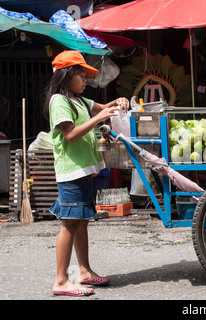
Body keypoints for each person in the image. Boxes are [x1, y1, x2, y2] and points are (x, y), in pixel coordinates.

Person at [43, 50, 129, 297]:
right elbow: (69, 135)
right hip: (71, 171)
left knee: (81, 223)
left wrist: (119, 101)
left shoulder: (80, 100)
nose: (85, 80)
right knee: (69, 224)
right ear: (66, 76)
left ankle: (85, 272)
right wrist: (99, 117)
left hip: (84, 170)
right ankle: (61, 281)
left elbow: (105, 107)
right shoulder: (60, 101)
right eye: (81, 75)